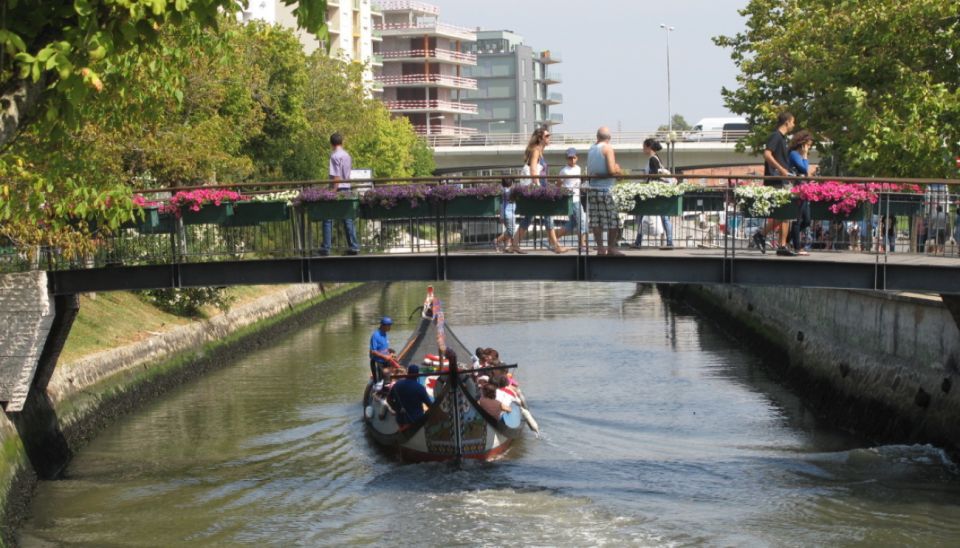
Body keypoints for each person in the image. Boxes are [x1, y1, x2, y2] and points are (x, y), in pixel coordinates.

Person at [511, 128, 567, 254]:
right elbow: (533, 170)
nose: (549, 137)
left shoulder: (540, 151)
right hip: (538, 189)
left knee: (530, 218)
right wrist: (537, 187)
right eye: (547, 136)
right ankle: (555, 245)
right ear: (540, 138)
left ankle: (514, 244)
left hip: (541, 187)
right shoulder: (536, 151)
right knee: (546, 215)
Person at [755, 112, 796, 256]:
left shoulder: (782, 139)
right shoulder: (776, 136)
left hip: (782, 179)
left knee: (786, 214)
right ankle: (767, 237)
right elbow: (767, 154)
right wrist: (781, 170)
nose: (794, 125)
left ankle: (779, 244)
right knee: (785, 213)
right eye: (793, 122)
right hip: (777, 180)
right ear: (787, 122)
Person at [586, 126, 624, 256]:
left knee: (596, 220)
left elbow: (592, 172)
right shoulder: (607, 148)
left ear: (597, 137)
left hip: (593, 189)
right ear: (609, 138)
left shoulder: (591, 149)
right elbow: (611, 171)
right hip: (606, 189)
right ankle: (611, 248)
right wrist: (618, 169)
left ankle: (600, 248)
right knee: (614, 220)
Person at [321, 132, 360, 256]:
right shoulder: (347, 155)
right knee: (347, 218)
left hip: (338, 189)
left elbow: (336, 175)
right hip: (347, 188)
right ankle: (354, 246)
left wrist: (333, 190)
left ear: (331, 144)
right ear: (342, 142)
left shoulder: (334, 156)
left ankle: (326, 247)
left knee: (327, 218)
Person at [631, 138, 674, 249]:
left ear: (648, 147)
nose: (643, 149)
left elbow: (654, 176)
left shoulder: (652, 159)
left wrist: (646, 184)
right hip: (658, 191)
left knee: (643, 214)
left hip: (653, 192)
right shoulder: (656, 158)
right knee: (664, 216)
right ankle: (669, 242)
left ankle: (638, 242)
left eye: (644, 146)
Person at [787, 130, 814, 255]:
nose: (809, 147)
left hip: (804, 189)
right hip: (797, 189)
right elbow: (804, 169)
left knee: (807, 220)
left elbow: (806, 173)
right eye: (808, 145)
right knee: (797, 220)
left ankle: (787, 239)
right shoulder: (794, 154)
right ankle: (797, 247)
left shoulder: (800, 155)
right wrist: (805, 155)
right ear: (803, 144)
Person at [558, 147, 587, 249]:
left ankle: (554, 237)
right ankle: (582, 244)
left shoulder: (578, 168)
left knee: (573, 222)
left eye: (574, 158)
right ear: (567, 159)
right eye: (570, 158)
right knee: (582, 220)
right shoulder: (564, 171)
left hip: (577, 198)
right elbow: (559, 184)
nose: (572, 160)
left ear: (577, 158)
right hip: (572, 199)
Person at [369, 316, 396, 381]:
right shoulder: (375, 335)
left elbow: (381, 347)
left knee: (388, 380)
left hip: (385, 362)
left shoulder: (384, 334)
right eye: (389, 325)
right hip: (378, 362)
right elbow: (373, 351)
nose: (390, 327)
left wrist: (389, 350)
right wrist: (385, 357)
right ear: (383, 326)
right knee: (379, 382)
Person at [494, 178, 516, 253]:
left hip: (508, 212)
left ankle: (507, 247)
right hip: (508, 212)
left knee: (509, 230)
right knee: (511, 231)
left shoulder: (505, 189)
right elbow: (509, 194)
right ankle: (497, 241)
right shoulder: (507, 190)